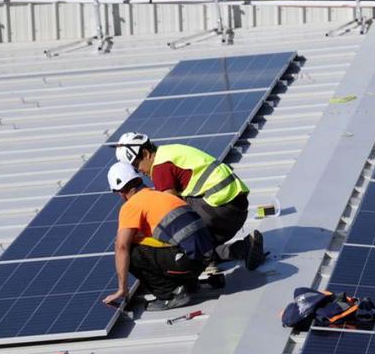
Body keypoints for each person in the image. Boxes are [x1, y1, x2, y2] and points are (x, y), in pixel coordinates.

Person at [108, 132, 265, 270]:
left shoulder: (160, 168)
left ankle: (208, 261)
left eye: (136, 166)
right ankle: (245, 248)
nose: (139, 172)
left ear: (146, 153)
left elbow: (170, 208)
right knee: (198, 247)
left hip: (218, 210)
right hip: (237, 206)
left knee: (180, 233)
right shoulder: (171, 151)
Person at [102, 162, 216, 310]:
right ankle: (188, 283)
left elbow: (121, 246)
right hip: (205, 259)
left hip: (189, 263)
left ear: (120, 191)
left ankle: (169, 295)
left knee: (131, 251)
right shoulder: (160, 195)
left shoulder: (132, 205)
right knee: (147, 240)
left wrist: (122, 289)